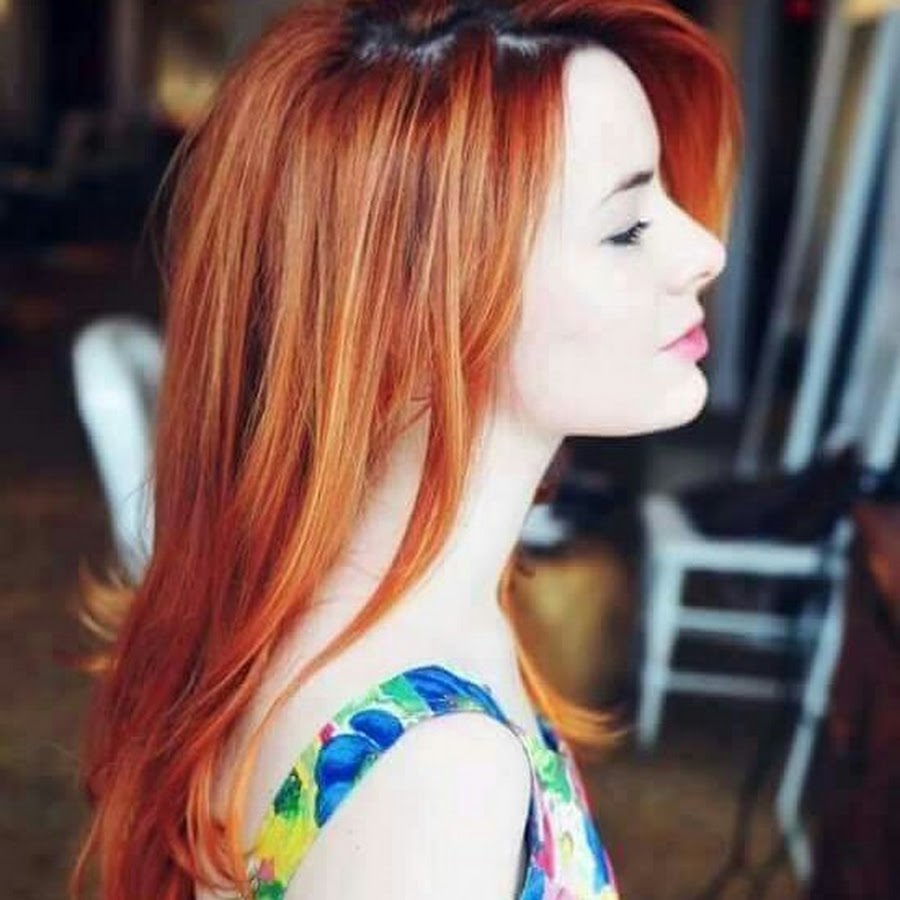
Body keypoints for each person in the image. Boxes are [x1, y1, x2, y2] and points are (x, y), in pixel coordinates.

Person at [68, 1, 740, 897]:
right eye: (625, 227)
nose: (705, 249)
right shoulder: (435, 779)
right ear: (413, 311)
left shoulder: (358, 603)